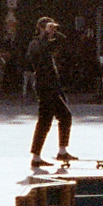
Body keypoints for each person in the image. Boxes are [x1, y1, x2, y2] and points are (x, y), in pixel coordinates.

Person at [25, 17, 73, 168]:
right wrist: (45, 34)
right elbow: (40, 52)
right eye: (48, 28)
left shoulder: (48, 42)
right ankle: (36, 157)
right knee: (45, 120)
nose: (52, 31)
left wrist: (54, 32)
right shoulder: (35, 43)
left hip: (53, 85)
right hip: (44, 85)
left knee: (65, 116)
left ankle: (62, 151)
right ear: (40, 28)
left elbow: (63, 42)